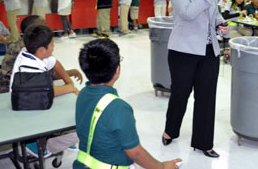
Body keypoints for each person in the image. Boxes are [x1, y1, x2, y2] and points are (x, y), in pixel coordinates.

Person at [163, 0, 229, 158]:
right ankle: (170, 130)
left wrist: (221, 24)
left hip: (209, 50)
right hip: (183, 51)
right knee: (180, 94)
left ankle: (203, 143)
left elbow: (214, 12)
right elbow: (188, 14)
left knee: (207, 97)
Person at [74, 39, 181, 169]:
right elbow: (135, 153)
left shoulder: (83, 94)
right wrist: (162, 166)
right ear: (117, 70)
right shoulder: (119, 108)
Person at [11, 24, 81, 157]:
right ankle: (37, 146)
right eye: (52, 44)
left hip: (34, 96)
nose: (54, 47)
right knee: (84, 125)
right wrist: (71, 88)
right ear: (42, 49)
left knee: (70, 98)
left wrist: (69, 82)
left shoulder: (31, 53)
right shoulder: (28, 68)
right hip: (28, 109)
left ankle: (61, 136)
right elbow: (47, 92)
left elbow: (55, 63)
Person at [0, 16, 43, 93]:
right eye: (43, 26)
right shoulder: (29, 47)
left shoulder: (33, 44)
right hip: (11, 90)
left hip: (22, 85)